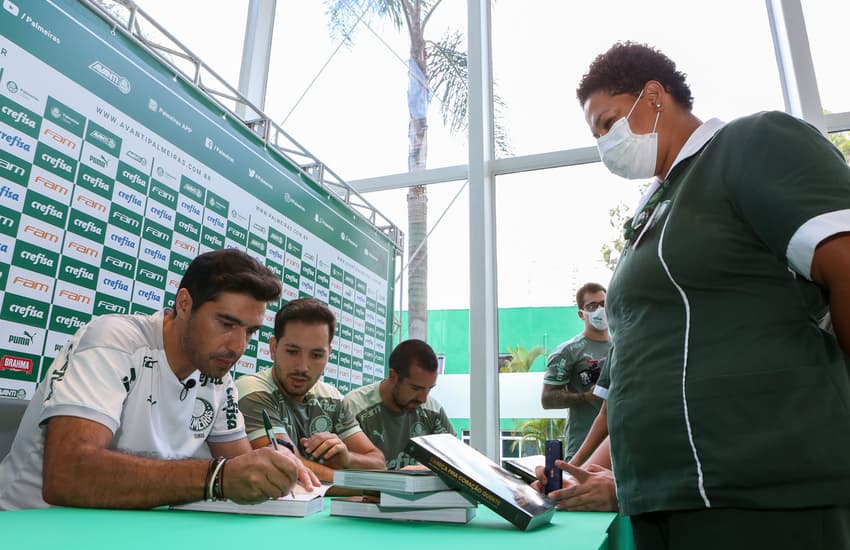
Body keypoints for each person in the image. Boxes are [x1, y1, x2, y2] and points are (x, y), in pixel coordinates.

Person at [576, 41, 850, 549]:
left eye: (607, 122)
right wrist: (586, 471)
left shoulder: (751, 144)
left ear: (654, 97)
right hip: (664, 496)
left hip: (761, 493)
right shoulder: (652, 212)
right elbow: (644, 370)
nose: (604, 144)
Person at [0, 249, 319, 510]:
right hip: (32, 527)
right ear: (184, 304)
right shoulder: (114, 341)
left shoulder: (219, 378)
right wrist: (216, 478)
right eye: (226, 324)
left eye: (249, 332)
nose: (238, 347)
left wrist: (274, 468)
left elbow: (241, 465)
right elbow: (67, 475)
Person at [236, 298, 385, 482]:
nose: (303, 367)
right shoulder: (252, 390)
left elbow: (378, 462)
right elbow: (287, 465)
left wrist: (347, 458)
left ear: (328, 354)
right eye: (292, 351)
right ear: (273, 348)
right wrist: (362, 484)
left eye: (316, 355)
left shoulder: (333, 398)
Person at [343, 339, 455, 469]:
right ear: (393, 376)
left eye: (429, 389)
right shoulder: (354, 407)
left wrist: (424, 470)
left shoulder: (433, 410)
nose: (423, 399)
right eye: (416, 389)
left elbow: (456, 461)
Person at [541, 282, 611, 461]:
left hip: (617, 448)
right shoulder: (568, 351)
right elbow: (547, 399)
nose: (599, 310)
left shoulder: (622, 346)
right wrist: (585, 397)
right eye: (592, 306)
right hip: (582, 450)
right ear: (581, 314)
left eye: (603, 303)